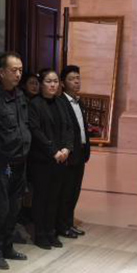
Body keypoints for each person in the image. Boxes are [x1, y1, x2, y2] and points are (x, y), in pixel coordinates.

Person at [0, 52, 32, 269]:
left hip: (20, 161)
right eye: (13, 70)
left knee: (13, 209)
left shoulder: (20, 95)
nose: (18, 74)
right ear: (1, 72)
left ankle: (7, 246)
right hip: (0, 164)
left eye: (20, 70)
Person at [28, 69, 72, 249]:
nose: (53, 85)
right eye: (48, 81)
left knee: (55, 197)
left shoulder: (61, 102)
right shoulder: (34, 104)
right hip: (42, 160)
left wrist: (67, 148)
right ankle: (40, 234)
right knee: (41, 198)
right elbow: (36, 131)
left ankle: (51, 232)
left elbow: (69, 128)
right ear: (41, 84)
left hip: (60, 159)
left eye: (55, 81)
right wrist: (53, 151)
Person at [57, 65, 90, 238]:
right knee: (66, 192)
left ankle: (69, 223)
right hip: (69, 154)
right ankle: (62, 226)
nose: (76, 82)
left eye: (78, 78)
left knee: (75, 191)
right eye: (71, 79)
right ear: (63, 83)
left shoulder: (80, 102)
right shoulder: (60, 103)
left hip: (81, 153)